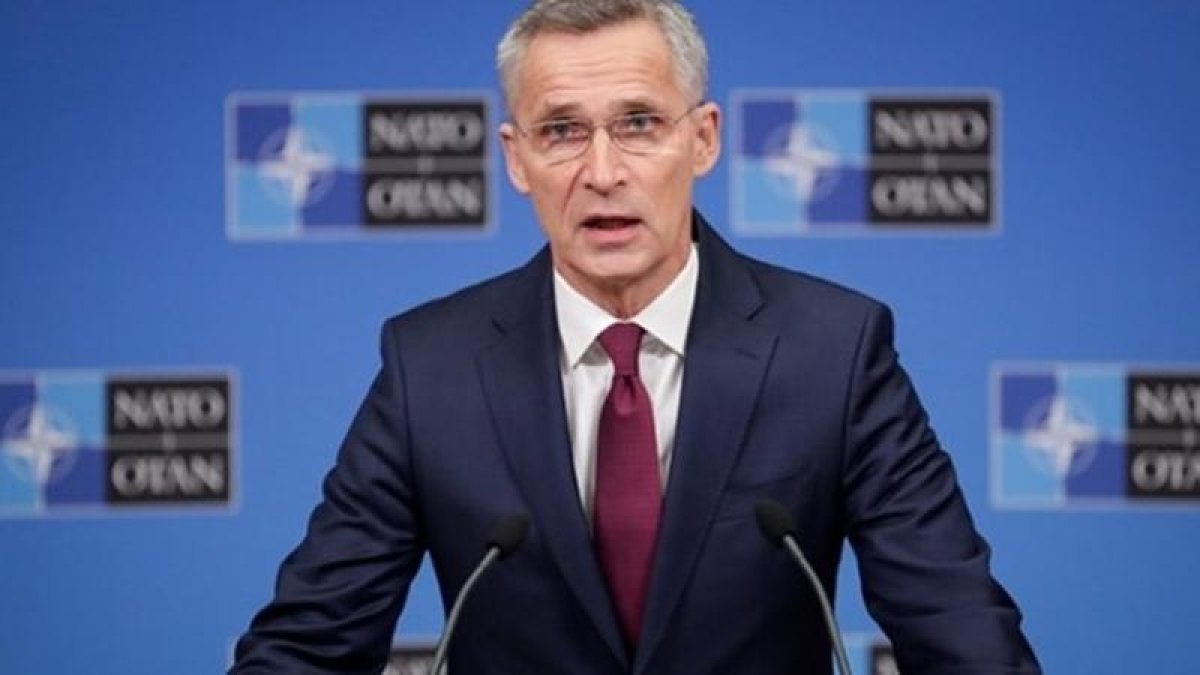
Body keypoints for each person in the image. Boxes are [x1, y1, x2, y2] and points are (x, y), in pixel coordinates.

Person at [231, 1, 1041, 673]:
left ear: (704, 138)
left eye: (640, 123)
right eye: (562, 131)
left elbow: (959, 631)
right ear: (516, 158)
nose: (603, 171)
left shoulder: (834, 351)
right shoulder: (430, 367)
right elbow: (307, 646)